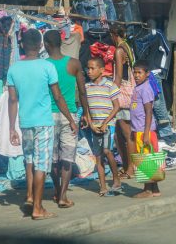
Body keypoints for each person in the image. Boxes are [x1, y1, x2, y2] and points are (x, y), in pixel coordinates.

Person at [8, 29, 78, 220]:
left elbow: (13, 100)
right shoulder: (47, 67)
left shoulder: (14, 68)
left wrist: (11, 128)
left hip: (25, 122)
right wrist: (71, 120)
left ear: (22, 44)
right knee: (41, 165)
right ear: (40, 45)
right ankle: (38, 208)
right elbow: (58, 96)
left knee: (29, 160)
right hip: (43, 123)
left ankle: (30, 196)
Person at [44, 30, 89, 208]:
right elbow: (83, 91)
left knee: (53, 159)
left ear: (46, 44)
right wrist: (86, 112)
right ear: (61, 43)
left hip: (47, 115)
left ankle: (57, 190)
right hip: (69, 114)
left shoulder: (44, 65)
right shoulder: (74, 64)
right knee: (67, 157)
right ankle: (63, 195)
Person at [85, 57, 123, 197]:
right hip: (95, 126)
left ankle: (116, 177)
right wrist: (91, 124)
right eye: (88, 68)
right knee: (98, 156)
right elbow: (86, 109)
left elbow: (117, 106)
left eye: (92, 68)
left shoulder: (110, 85)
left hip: (108, 124)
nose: (89, 71)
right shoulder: (87, 87)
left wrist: (106, 122)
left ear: (101, 70)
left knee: (107, 150)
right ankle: (102, 186)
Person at [130, 60, 161, 198]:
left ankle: (147, 189)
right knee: (149, 158)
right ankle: (155, 189)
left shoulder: (146, 88)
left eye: (139, 73)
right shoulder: (138, 88)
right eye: (135, 72)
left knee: (145, 160)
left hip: (144, 131)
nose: (136, 75)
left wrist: (147, 133)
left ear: (147, 74)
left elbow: (149, 111)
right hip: (139, 130)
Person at [110, 24, 136, 179]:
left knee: (127, 134)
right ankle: (127, 166)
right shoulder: (127, 46)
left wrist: (111, 93)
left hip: (123, 95)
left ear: (114, 35)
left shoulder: (119, 50)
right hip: (129, 92)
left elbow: (119, 76)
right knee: (119, 134)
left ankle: (131, 168)